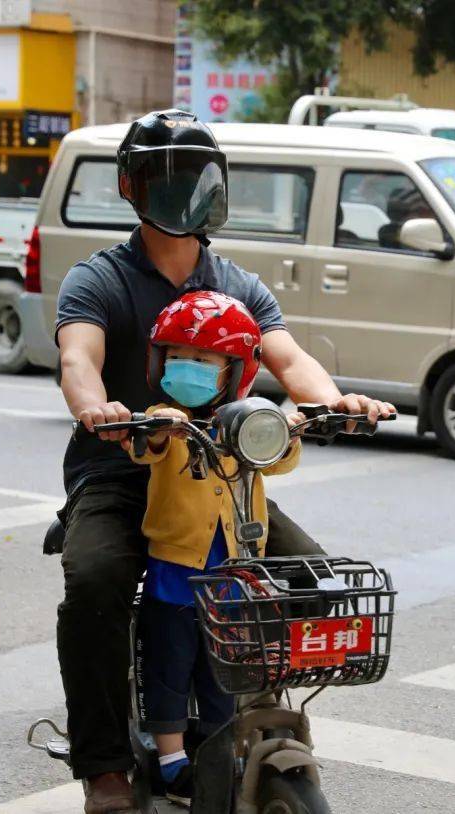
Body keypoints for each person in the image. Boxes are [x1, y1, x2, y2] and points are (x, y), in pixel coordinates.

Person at [55, 108, 394, 814]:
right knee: (95, 583)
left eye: (200, 174)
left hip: (221, 477)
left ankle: (238, 718)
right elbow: (77, 358)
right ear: (131, 185)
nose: (185, 189)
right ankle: (107, 766)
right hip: (123, 470)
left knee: (313, 582)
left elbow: (291, 359)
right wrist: (99, 408)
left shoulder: (240, 286)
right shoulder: (100, 280)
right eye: (166, 174)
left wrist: (338, 401)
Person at [130, 290, 300, 807]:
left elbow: (280, 460)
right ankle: (170, 759)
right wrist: (159, 426)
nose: (188, 367)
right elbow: (144, 447)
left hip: (233, 573)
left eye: (203, 360)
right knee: (170, 663)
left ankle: (219, 748)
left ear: (234, 369)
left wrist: (285, 428)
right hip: (175, 572)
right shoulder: (164, 417)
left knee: (222, 669)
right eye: (177, 357)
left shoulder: (245, 421)